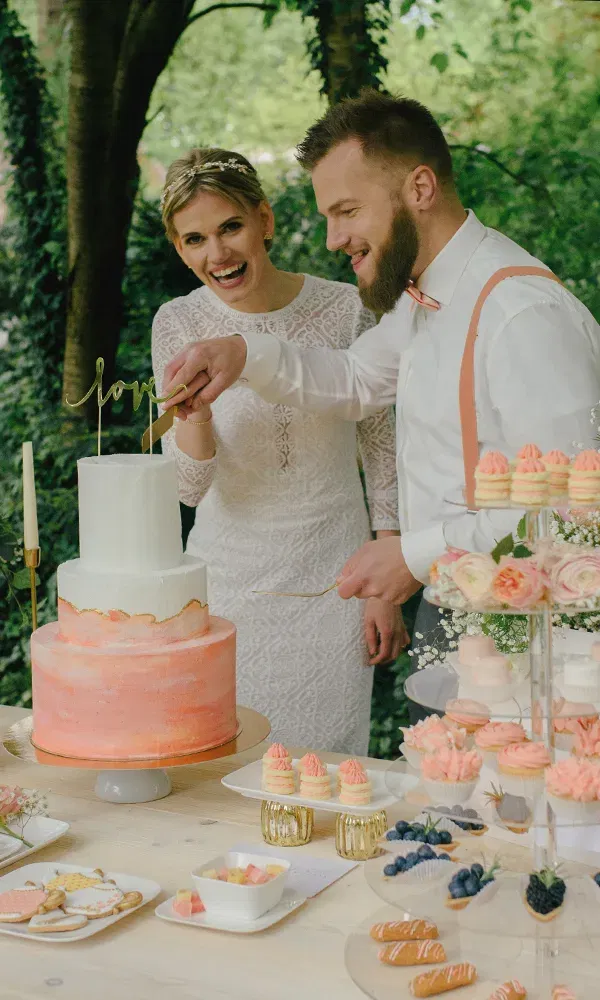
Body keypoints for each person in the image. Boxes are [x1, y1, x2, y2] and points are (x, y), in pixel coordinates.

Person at [160, 94, 600, 722]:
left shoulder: (521, 313)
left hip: (538, 638)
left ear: (419, 187)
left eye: (347, 211)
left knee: (510, 812)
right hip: (451, 600)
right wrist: (243, 353)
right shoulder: (425, 299)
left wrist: (412, 555)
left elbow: (572, 516)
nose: (335, 238)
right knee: (445, 808)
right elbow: (356, 378)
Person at [152, 146, 406, 754]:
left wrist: (384, 583)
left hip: (333, 586)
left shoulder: (345, 309)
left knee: (325, 772)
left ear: (264, 219)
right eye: (194, 240)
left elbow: (383, 448)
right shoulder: (178, 323)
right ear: (180, 251)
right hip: (228, 589)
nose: (218, 254)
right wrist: (197, 419)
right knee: (223, 770)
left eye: (230, 227)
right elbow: (185, 489)